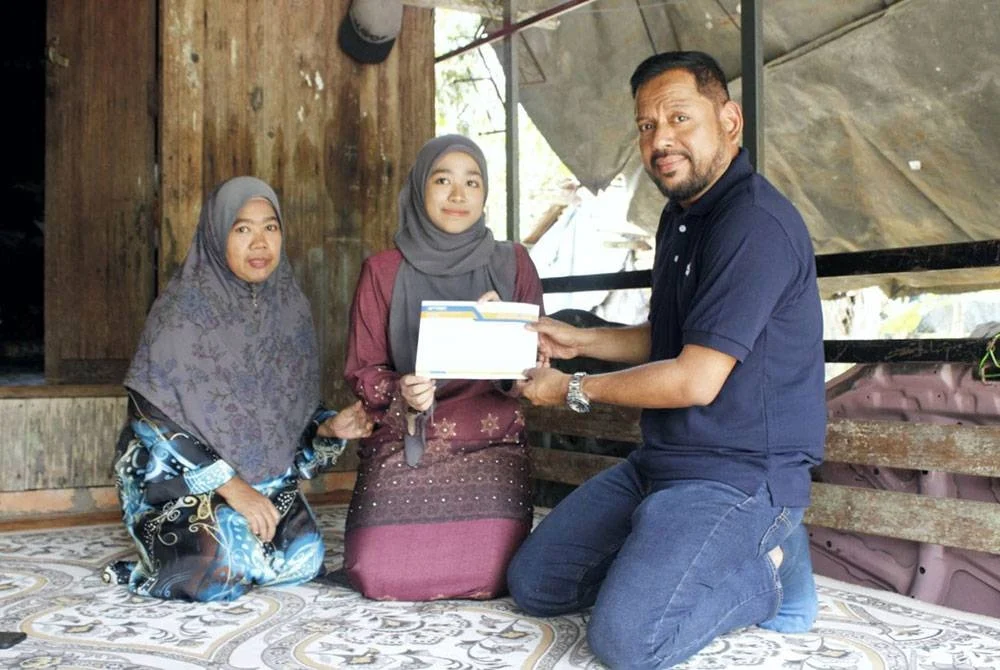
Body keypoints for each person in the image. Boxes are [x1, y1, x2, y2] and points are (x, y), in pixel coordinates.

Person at [510, 51, 826, 668]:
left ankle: (770, 572)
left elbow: (695, 378)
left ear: (729, 122)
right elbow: (671, 335)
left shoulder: (754, 224)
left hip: (739, 476)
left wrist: (572, 388)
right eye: (647, 125)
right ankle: (678, 556)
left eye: (680, 117)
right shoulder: (682, 216)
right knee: (537, 585)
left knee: (629, 641)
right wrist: (583, 341)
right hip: (662, 464)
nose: (661, 140)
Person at [104, 176, 372, 602]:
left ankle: (237, 543)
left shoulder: (291, 309)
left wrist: (327, 428)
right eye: (242, 229)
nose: (260, 242)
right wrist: (233, 488)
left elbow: (286, 412)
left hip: (264, 484)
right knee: (217, 570)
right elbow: (151, 419)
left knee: (306, 559)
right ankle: (143, 566)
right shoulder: (181, 312)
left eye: (271, 227)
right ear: (216, 235)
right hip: (178, 485)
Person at [343, 134, 544, 601]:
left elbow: (534, 367)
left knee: (497, 577)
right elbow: (363, 367)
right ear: (419, 188)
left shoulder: (512, 263)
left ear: (485, 192)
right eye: (443, 180)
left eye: (472, 182)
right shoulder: (383, 270)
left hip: (492, 439)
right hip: (411, 435)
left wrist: (504, 333)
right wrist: (401, 391)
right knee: (377, 574)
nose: (459, 195)